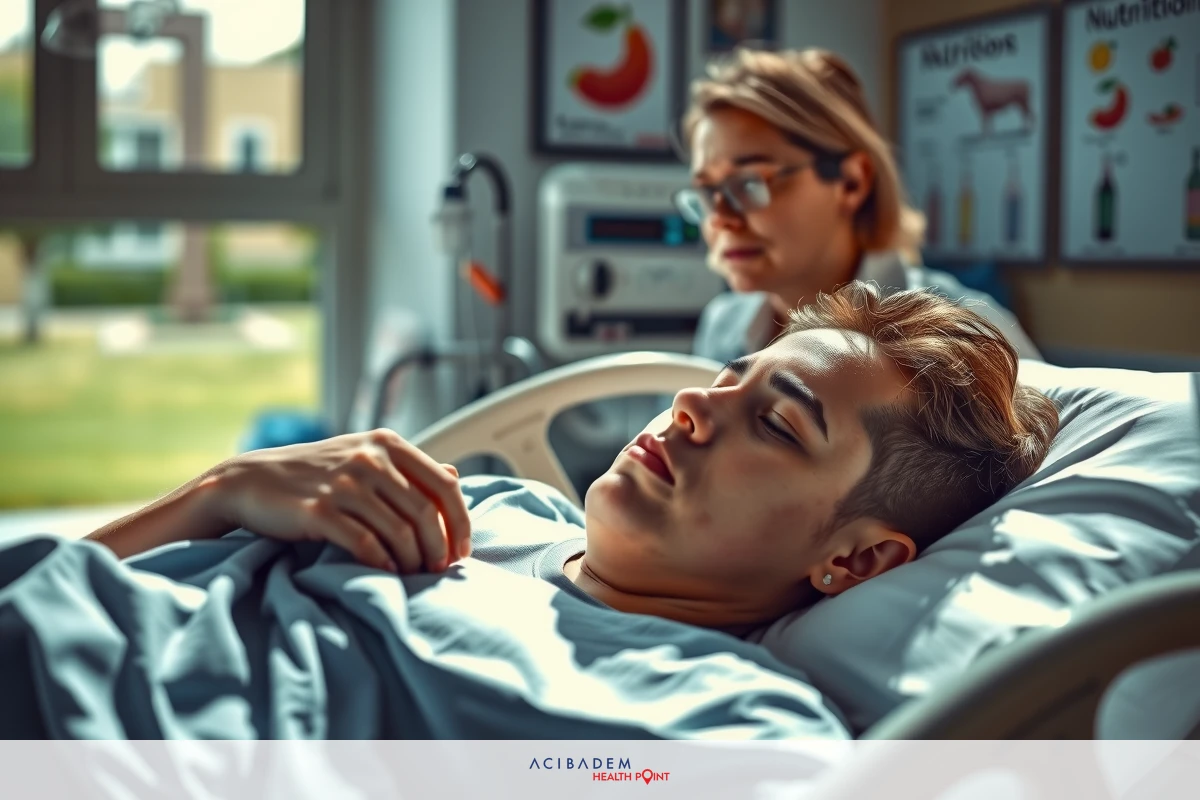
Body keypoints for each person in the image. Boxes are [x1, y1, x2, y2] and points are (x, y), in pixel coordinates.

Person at [87, 282, 1058, 634]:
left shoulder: (698, 721)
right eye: (730, 372)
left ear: (854, 559)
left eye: (778, 422)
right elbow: (64, 586)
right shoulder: (498, 505)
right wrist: (221, 493)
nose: (691, 402)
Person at [676, 47, 1043, 365]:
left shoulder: (967, 334)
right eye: (708, 193)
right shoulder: (723, 325)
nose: (720, 220)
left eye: (749, 183)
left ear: (851, 182)